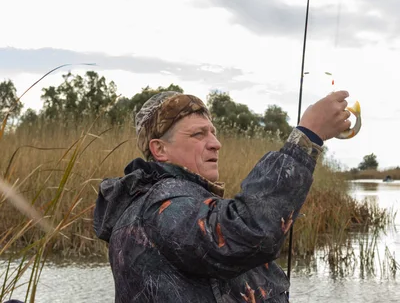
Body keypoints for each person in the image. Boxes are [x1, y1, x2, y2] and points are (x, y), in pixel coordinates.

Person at [93, 89, 352, 302]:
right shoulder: (161, 206)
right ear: (159, 149)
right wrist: (307, 137)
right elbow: (247, 231)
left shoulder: (171, 199)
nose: (215, 143)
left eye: (213, 132)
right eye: (198, 134)